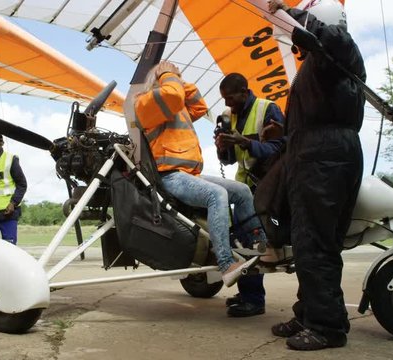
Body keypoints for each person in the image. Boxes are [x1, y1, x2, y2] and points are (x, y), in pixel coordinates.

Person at [267, 0, 366, 351]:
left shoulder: (338, 46)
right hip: (316, 154)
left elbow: (325, 37)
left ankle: (327, 327)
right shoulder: (322, 63)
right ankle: (310, 313)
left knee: (316, 243)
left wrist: (286, 12)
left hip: (323, 158)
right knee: (309, 242)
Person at [133, 60, 257, 287]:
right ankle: (226, 263)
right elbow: (172, 96)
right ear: (159, 79)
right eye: (170, 76)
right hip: (170, 175)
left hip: (189, 175)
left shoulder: (174, 104)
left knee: (242, 191)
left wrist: (177, 78)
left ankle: (255, 244)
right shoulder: (144, 103)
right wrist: (168, 74)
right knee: (216, 195)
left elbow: (199, 106)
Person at [215, 73, 286, 318]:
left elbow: (280, 147)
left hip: (267, 187)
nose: (227, 104)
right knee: (241, 240)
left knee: (251, 242)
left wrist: (246, 142)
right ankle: (248, 292)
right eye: (224, 99)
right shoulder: (230, 116)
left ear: (245, 92)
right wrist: (223, 149)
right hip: (244, 187)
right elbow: (232, 159)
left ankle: (254, 300)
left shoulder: (269, 109)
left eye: (231, 98)